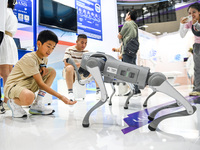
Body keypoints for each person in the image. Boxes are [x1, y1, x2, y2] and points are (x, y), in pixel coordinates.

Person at [4, 30, 77, 118]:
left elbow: (41, 74)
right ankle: (13, 102)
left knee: (51, 71)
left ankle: (38, 104)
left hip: (27, 84)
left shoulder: (44, 59)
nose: (50, 51)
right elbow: (40, 84)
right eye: (48, 46)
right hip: (13, 86)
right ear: (39, 44)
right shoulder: (30, 58)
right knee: (29, 97)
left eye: (53, 48)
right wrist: (61, 97)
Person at [63, 34, 100, 101]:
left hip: (82, 72)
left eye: (85, 43)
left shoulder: (86, 52)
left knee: (95, 68)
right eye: (82, 42)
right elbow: (66, 63)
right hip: (71, 71)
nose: (84, 45)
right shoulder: (69, 49)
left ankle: (98, 91)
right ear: (77, 41)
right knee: (69, 67)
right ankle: (70, 93)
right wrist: (80, 64)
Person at [112, 9, 141, 96]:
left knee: (127, 71)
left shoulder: (127, 23)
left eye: (127, 14)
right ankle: (136, 89)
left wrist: (120, 36)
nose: (126, 16)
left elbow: (120, 35)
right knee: (133, 69)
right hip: (133, 50)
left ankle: (134, 90)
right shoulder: (135, 25)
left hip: (127, 50)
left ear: (129, 16)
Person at [179, 2, 200, 96]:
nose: (191, 15)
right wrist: (181, 24)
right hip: (197, 46)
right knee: (197, 68)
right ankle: (197, 88)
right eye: (189, 13)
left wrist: (196, 23)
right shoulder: (190, 22)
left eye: (194, 12)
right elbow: (182, 35)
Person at [0, 0, 16, 114]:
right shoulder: (12, 13)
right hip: (10, 41)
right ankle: (7, 101)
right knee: (8, 73)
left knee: (5, 73)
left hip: (4, 40)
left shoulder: (4, 11)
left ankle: (6, 102)